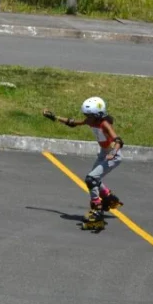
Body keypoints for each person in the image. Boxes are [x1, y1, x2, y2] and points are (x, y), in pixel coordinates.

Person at [43, 96, 124, 226]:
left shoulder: (104, 124)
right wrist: (55, 117)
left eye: (89, 115)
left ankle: (97, 210)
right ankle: (108, 197)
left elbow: (118, 141)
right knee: (94, 178)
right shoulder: (92, 121)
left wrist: (113, 153)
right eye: (86, 115)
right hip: (104, 153)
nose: (87, 118)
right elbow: (73, 123)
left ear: (98, 114)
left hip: (113, 155)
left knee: (91, 179)